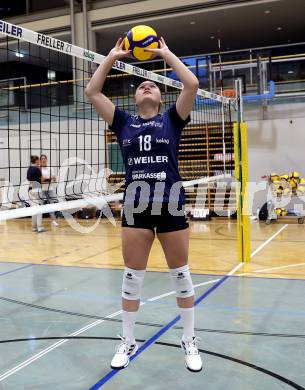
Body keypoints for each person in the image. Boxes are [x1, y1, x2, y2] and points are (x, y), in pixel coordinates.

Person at [85, 37, 202, 372]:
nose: (146, 86)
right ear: (135, 98)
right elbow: (93, 92)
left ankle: (189, 339)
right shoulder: (123, 122)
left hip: (171, 203)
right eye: (141, 86)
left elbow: (191, 83)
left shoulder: (172, 119)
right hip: (136, 205)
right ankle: (127, 341)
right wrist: (110, 57)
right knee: (132, 278)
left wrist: (165, 53)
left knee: (181, 275)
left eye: (152, 85)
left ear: (161, 97)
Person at [26, 155, 45, 233]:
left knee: (33, 209)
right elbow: (42, 179)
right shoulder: (37, 169)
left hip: (30, 190)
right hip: (37, 189)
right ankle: (39, 227)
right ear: (36, 161)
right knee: (39, 209)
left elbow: (28, 178)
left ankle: (34, 227)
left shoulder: (29, 169)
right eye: (38, 160)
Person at [40, 154, 59, 227]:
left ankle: (53, 221)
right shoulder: (39, 169)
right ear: (40, 160)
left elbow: (54, 179)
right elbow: (41, 180)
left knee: (51, 204)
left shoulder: (50, 168)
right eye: (42, 159)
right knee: (40, 205)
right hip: (42, 189)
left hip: (50, 189)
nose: (43, 160)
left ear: (46, 160)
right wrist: (49, 179)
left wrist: (49, 179)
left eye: (45, 158)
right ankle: (39, 222)